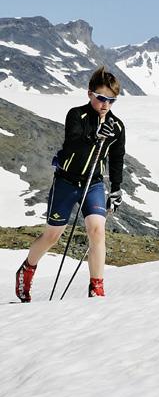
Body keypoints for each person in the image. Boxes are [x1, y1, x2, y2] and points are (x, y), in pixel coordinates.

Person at [15, 66, 126, 301]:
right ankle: (27, 269)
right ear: (90, 94)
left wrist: (116, 188)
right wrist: (95, 136)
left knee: (97, 231)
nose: (105, 104)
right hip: (67, 181)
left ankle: (96, 286)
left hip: (93, 183)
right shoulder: (77, 115)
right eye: (101, 98)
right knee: (53, 236)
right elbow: (73, 143)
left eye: (111, 100)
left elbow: (117, 158)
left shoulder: (117, 126)